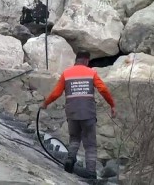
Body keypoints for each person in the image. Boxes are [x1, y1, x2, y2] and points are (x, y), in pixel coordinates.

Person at [41, 51, 116, 179]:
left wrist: (46, 103)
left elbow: (56, 93)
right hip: (88, 114)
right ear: (86, 61)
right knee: (90, 144)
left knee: (74, 138)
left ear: (76, 60)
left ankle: (70, 159)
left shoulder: (66, 73)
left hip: (72, 113)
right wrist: (112, 105)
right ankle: (91, 172)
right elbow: (103, 89)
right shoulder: (91, 73)